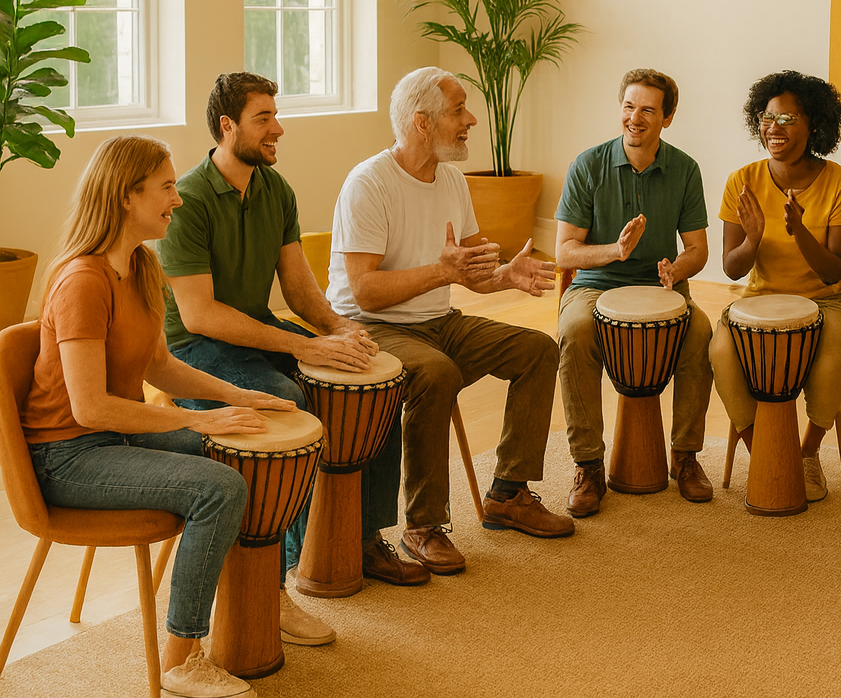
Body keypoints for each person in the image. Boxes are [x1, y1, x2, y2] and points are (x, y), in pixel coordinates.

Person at [21, 136, 295, 698]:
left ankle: (259, 605)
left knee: (243, 453)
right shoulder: (82, 281)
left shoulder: (142, 266)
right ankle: (181, 657)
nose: (179, 198)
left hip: (111, 439)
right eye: (167, 187)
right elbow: (88, 407)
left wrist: (237, 397)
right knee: (218, 488)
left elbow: (161, 366)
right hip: (67, 455)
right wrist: (197, 422)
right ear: (127, 196)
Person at [161, 74, 426, 644]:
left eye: (276, 114)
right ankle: (277, 580)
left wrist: (340, 329)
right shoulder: (187, 200)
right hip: (196, 347)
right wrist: (304, 345)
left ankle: (359, 541)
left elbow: (300, 287)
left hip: (254, 330)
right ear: (228, 126)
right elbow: (201, 316)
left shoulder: (275, 189)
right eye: (264, 118)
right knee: (288, 402)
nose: (278, 127)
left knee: (369, 383)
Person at [327, 67, 569, 576]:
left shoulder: (453, 179)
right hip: (370, 325)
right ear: (422, 122)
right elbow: (364, 289)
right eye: (458, 110)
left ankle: (507, 492)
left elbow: (471, 271)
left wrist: (505, 276)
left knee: (538, 349)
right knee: (437, 373)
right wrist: (443, 271)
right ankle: (423, 524)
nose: (471, 120)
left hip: (439, 320)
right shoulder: (368, 183)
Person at [554, 69, 715, 516]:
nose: (635, 118)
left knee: (700, 330)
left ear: (668, 117)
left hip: (661, 287)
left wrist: (676, 268)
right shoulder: (588, 166)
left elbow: (698, 250)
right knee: (576, 330)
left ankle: (685, 457)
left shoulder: (685, 169)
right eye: (628, 106)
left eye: (647, 109)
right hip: (594, 285)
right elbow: (565, 253)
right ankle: (588, 465)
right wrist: (615, 250)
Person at [710, 70, 841, 499]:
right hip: (759, 300)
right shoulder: (742, 181)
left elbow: (834, 271)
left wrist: (800, 231)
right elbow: (731, 269)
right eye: (766, 117)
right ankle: (764, 454)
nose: (772, 128)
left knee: (835, 350)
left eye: (786, 119)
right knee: (720, 350)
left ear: (814, 125)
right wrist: (754, 238)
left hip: (827, 301)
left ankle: (807, 454)